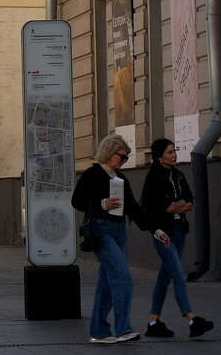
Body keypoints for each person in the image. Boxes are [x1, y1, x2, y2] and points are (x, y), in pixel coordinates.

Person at [72, 133, 172, 344]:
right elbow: (77, 200)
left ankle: (99, 331)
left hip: (119, 231)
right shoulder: (92, 174)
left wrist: (156, 230)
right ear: (109, 152)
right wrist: (102, 204)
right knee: (123, 275)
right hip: (101, 231)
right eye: (122, 156)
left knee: (107, 281)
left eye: (126, 157)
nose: (124, 161)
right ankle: (124, 329)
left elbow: (135, 210)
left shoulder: (121, 179)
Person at [139, 139, 214, 339]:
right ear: (159, 156)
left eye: (175, 151)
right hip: (164, 234)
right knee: (179, 275)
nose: (174, 155)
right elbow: (159, 207)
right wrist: (173, 206)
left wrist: (175, 205)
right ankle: (192, 319)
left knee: (164, 278)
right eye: (170, 152)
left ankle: (153, 322)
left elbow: (189, 202)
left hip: (180, 230)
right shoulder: (154, 178)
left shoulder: (178, 175)